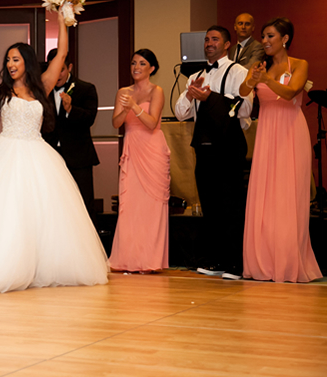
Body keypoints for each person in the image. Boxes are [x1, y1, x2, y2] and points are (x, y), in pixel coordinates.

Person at [0, 10, 108, 294]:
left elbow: (61, 53)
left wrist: (62, 19)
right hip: (5, 154)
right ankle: (1, 266)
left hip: (37, 154)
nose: (10, 64)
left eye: (15, 59)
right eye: (8, 60)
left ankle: (40, 266)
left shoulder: (42, 89)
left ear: (26, 62)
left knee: (42, 214)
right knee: (5, 212)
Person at [240, 17, 322, 283]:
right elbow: (243, 93)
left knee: (288, 196)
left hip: (290, 132)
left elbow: (291, 93)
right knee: (265, 195)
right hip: (266, 133)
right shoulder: (258, 66)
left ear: (285, 39)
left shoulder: (299, 65)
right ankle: (263, 262)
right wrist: (253, 80)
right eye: (263, 36)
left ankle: (288, 263)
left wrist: (267, 79)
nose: (264, 41)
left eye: (270, 36)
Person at [175, 25, 252, 281]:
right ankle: (216, 259)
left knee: (230, 204)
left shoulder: (239, 71)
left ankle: (235, 263)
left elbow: (246, 108)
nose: (209, 43)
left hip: (229, 144)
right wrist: (190, 93)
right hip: (204, 145)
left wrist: (211, 98)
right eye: (207, 39)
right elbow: (180, 112)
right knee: (210, 204)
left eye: (215, 39)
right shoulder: (196, 75)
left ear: (227, 44)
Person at [108, 49, 170, 273]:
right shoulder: (123, 91)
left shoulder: (157, 91)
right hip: (132, 148)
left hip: (152, 150)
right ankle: (128, 258)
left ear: (151, 68)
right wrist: (125, 110)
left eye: (142, 64)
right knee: (130, 206)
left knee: (151, 206)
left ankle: (150, 260)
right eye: (133, 63)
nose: (136, 67)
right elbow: (116, 123)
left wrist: (134, 107)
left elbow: (153, 123)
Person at [41, 49, 99, 226]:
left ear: (70, 67)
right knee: (52, 205)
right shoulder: (42, 91)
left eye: (62, 69)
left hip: (79, 158)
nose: (57, 74)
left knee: (83, 205)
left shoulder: (85, 89)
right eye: (53, 68)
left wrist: (70, 109)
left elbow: (89, 118)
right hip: (50, 157)